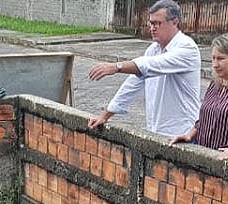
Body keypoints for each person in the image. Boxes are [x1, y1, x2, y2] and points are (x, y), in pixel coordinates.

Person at [86, 0, 201, 137]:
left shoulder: (187, 48)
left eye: (157, 23)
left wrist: (117, 66)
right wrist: (105, 116)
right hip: (156, 129)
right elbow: (132, 84)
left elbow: (150, 65)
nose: (152, 28)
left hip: (183, 132)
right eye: (151, 23)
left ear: (175, 22)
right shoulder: (154, 49)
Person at [168, 33, 228, 160]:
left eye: (221, 59)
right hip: (204, 155)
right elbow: (205, 117)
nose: (215, 64)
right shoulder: (216, 82)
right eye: (213, 58)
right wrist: (189, 135)